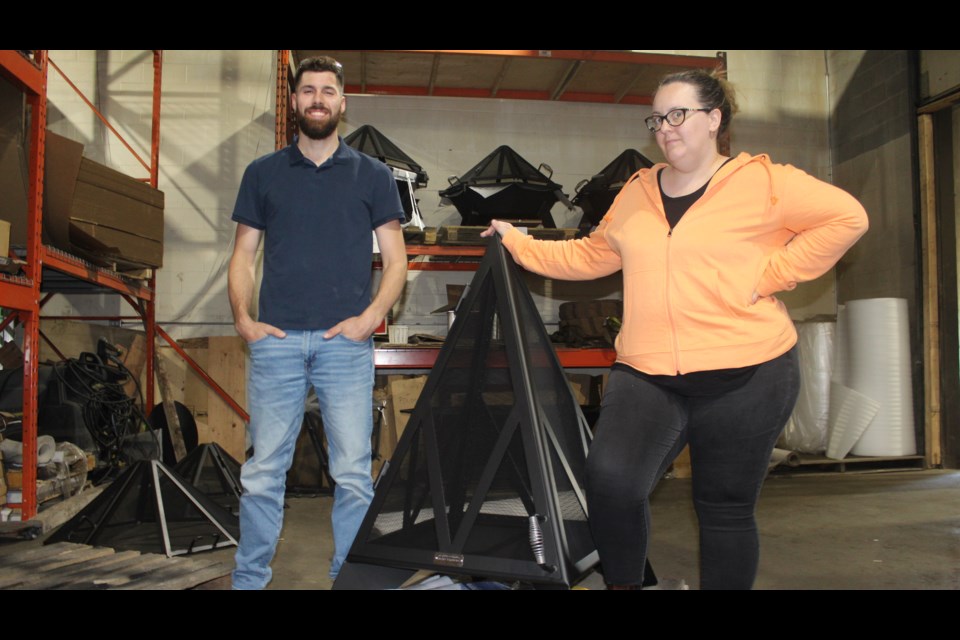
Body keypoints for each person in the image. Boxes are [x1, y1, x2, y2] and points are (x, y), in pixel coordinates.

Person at [483, 69, 868, 589]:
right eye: (658, 117)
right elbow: (592, 254)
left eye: (678, 114)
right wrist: (517, 241)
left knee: (723, 507)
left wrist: (770, 274)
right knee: (611, 483)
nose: (665, 127)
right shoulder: (637, 191)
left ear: (714, 119)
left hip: (748, 374)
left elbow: (847, 217)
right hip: (649, 374)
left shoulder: (764, 182)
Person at [228, 56, 407, 589]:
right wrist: (244, 320)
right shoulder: (262, 173)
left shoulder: (373, 176)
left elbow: (397, 261)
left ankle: (347, 580)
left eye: (328, 91)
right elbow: (242, 255)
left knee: (353, 475)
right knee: (262, 475)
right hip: (277, 343)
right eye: (308, 90)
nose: (318, 99)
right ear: (294, 101)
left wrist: (370, 319)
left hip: (344, 347)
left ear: (342, 103)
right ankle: (249, 579)